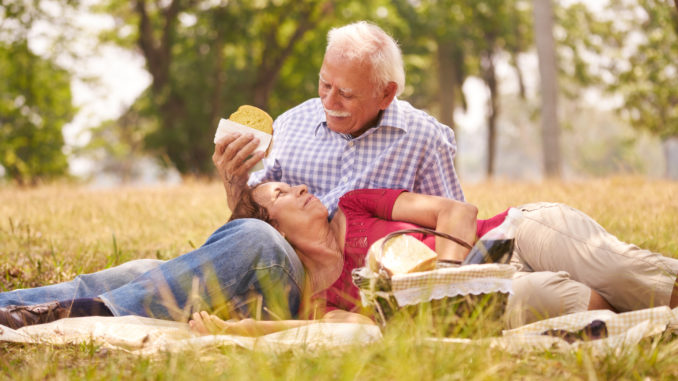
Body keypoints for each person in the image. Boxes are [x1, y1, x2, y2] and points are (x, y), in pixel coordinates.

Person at [1, 21, 465, 328]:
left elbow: (455, 239)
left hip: (316, 298)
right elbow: (251, 220)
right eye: (324, 83)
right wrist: (234, 181)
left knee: (258, 245)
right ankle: (15, 307)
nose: (328, 101)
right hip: (252, 269)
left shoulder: (427, 140)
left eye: (346, 93)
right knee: (147, 273)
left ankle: (98, 315)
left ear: (386, 94)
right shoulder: (292, 123)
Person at [188, 182, 678, 335]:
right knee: (577, 301)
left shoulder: (356, 204)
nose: (298, 187)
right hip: (476, 303)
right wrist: (233, 329)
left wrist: (449, 281)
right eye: (280, 193)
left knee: (616, 270)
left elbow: (457, 211)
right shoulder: (317, 301)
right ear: (269, 228)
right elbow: (336, 333)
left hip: (511, 236)